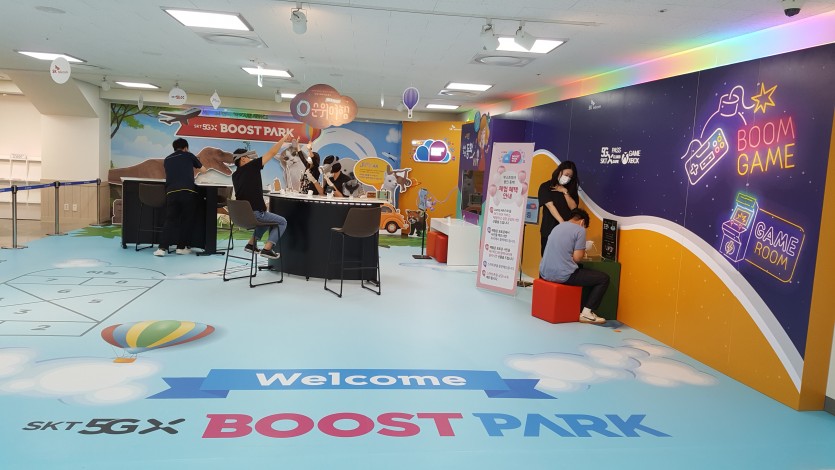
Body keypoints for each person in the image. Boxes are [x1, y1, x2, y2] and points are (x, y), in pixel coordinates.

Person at [539, 208, 609, 325]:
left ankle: (582, 309)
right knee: (603, 278)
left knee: (584, 273)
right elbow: (577, 258)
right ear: (582, 222)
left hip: (544, 273)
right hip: (561, 275)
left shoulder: (557, 227)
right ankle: (586, 313)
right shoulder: (580, 230)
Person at [231, 135, 290, 259]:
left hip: (243, 216)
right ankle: (267, 249)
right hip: (255, 214)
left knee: (266, 221)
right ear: (243, 159)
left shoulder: (235, 175)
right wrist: (284, 138)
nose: (251, 159)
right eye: (248, 157)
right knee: (282, 222)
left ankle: (251, 244)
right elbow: (272, 152)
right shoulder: (251, 167)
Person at [154, 138, 207, 257]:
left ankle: (161, 249)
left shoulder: (167, 159)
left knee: (170, 220)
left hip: (171, 192)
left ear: (174, 148)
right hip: (187, 191)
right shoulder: (189, 155)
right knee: (186, 220)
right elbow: (203, 170)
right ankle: (181, 248)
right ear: (186, 148)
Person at [538, 161, 579, 255]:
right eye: (566, 174)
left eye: (570, 176)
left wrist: (565, 192)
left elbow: (574, 207)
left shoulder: (571, 189)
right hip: (549, 230)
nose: (568, 178)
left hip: (566, 233)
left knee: (564, 258)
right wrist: (562, 223)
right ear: (560, 171)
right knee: (548, 258)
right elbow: (550, 206)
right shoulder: (545, 186)